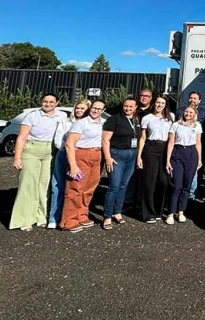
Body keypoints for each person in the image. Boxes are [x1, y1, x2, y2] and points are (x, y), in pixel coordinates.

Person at [10, 93, 67, 231]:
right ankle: (24, 219)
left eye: (51, 102)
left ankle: (41, 217)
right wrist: (17, 157)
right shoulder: (32, 115)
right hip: (31, 150)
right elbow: (21, 137)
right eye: (45, 101)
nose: (48, 104)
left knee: (44, 185)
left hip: (50, 151)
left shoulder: (62, 116)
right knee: (28, 185)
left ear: (57, 103)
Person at [61, 100, 107, 233]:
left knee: (89, 188)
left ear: (103, 111)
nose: (96, 111)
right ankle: (69, 220)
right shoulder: (81, 123)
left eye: (99, 109)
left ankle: (81, 215)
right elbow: (69, 144)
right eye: (94, 108)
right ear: (90, 108)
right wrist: (73, 165)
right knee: (75, 188)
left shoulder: (102, 124)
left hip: (96, 155)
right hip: (81, 155)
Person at [48, 99, 90, 229]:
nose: (79, 111)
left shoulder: (90, 124)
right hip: (63, 155)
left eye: (83, 109)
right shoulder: (66, 122)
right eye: (77, 108)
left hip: (81, 157)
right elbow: (58, 139)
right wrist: (68, 150)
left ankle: (74, 216)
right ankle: (53, 217)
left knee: (76, 188)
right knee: (58, 186)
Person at [101, 97, 140, 230]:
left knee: (123, 186)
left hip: (131, 155)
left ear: (135, 108)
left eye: (131, 106)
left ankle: (117, 212)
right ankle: (107, 216)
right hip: (117, 155)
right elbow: (105, 140)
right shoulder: (114, 119)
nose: (128, 108)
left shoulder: (136, 120)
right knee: (114, 186)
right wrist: (108, 158)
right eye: (126, 106)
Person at [137, 95, 172, 223]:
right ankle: (147, 213)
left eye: (162, 103)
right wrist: (139, 156)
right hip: (150, 148)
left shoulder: (170, 118)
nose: (159, 105)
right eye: (158, 102)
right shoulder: (147, 118)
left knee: (163, 181)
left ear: (165, 105)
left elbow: (172, 138)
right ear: (154, 103)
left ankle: (158, 210)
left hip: (164, 149)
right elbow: (142, 138)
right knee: (149, 181)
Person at [166, 106, 203, 225]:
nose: (188, 113)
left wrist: (199, 159)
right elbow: (171, 142)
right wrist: (167, 160)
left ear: (195, 114)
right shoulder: (176, 125)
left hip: (191, 154)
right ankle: (171, 213)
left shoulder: (197, 125)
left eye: (191, 112)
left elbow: (198, 143)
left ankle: (181, 211)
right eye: (186, 111)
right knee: (176, 185)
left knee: (186, 185)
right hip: (177, 153)